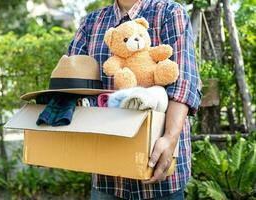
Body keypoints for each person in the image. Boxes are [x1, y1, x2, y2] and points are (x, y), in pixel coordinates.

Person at [67, 0, 202, 199]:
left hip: (158, 166)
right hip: (107, 172)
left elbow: (183, 82)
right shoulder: (91, 23)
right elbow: (72, 83)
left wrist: (170, 138)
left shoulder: (169, 12)